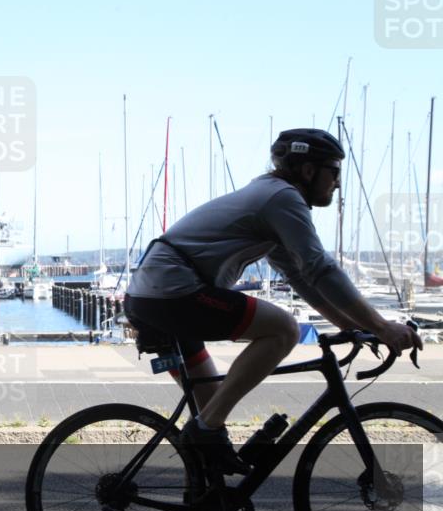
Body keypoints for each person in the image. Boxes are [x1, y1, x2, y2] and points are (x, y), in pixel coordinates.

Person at [123, 128, 422, 475]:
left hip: (152, 297)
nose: (338, 183)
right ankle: (203, 432)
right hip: (173, 291)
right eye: (334, 172)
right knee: (283, 330)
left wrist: (350, 326)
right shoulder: (282, 198)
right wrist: (382, 326)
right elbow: (321, 268)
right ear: (308, 170)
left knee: (212, 409)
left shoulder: (269, 196)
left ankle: (206, 502)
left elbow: (300, 277)